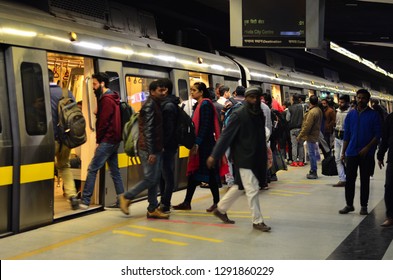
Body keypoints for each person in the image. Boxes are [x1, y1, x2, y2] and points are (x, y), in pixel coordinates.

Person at [206, 86, 270, 232]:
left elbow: (260, 136)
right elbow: (226, 136)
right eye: (251, 97)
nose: (254, 100)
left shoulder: (259, 113)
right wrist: (215, 155)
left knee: (239, 186)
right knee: (252, 189)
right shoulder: (239, 114)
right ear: (246, 98)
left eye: (256, 97)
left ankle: (220, 209)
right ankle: (257, 221)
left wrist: (265, 154)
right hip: (244, 157)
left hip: (256, 157)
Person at [119, 80, 168, 218]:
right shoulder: (150, 107)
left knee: (155, 178)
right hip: (148, 148)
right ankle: (126, 197)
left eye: (165, 90)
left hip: (155, 148)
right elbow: (148, 130)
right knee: (150, 179)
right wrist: (151, 151)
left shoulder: (156, 104)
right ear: (152, 92)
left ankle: (152, 208)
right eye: (160, 90)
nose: (164, 93)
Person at [173, 82, 221, 212]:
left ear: (201, 92)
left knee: (209, 174)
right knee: (194, 174)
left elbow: (205, 126)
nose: (191, 92)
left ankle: (216, 202)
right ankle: (187, 202)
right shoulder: (200, 105)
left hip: (205, 145)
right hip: (203, 144)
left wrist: (197, 143)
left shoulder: (205, 105)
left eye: (194, 90)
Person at [80, 72, 124, 209]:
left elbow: (103, 123)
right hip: (114, 139)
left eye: (94, 84)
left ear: (102, 83)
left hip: (108, 139)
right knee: (115, 171)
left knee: (92, 168)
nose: (93, 87)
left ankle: (85, 200)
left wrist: (99, 141)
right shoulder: (113, 97)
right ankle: (121, 200)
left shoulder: (106, 100)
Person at [339, 89, 381, 215]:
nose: (360, 100)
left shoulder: (374, 115)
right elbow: (347, 135)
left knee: (364, 180)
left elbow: (378, 135)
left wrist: (367, 148)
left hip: (366, 154)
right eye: (358, 97)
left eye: (363, 98)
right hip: (351, 152)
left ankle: (364, 205)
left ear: (368, 100)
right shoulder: (351, 115)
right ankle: (349, 204)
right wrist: (343, 152)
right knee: (350, 180)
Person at [49, 69, 79, 210]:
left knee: (45, 168)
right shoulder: (67, 93)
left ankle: (45, 199)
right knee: (64, 166)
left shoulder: (41, 93)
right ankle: (72, 196)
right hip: (66, 140)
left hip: (50, 139)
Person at [158, 78, 180, 213]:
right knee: (163, 174)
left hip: (168, 146)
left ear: (165, 90)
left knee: (167, 175)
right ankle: (164, 201)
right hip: (167, 145)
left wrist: (163, 144)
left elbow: (168, 128)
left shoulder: (169, 106)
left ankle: (165, 203)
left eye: (160, 89)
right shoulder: (168, 104)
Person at [297, 95, 323, 179]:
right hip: (315, 133)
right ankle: (313, 170)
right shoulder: (318, 110)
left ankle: (313, 171)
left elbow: (307, 126)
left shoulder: (312, 112)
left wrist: (300, 135)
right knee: (313, 153)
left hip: (311, 135)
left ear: (310, 102)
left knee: (311, 154)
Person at [377, 112, 393, 227]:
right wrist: (380, 155)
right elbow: (385, 137)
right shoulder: (391, 118)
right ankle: (390, 216)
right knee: (389, 187)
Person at [332, 94, 350, 187]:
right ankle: (342, 179)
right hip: (337, 137)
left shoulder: (350, 112)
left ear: (347, 103)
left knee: (345, 159)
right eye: (339, 102)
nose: (340, 104)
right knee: (337, 159)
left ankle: (349, 178)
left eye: (342, 102)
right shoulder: (337, 111)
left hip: (346, 138)